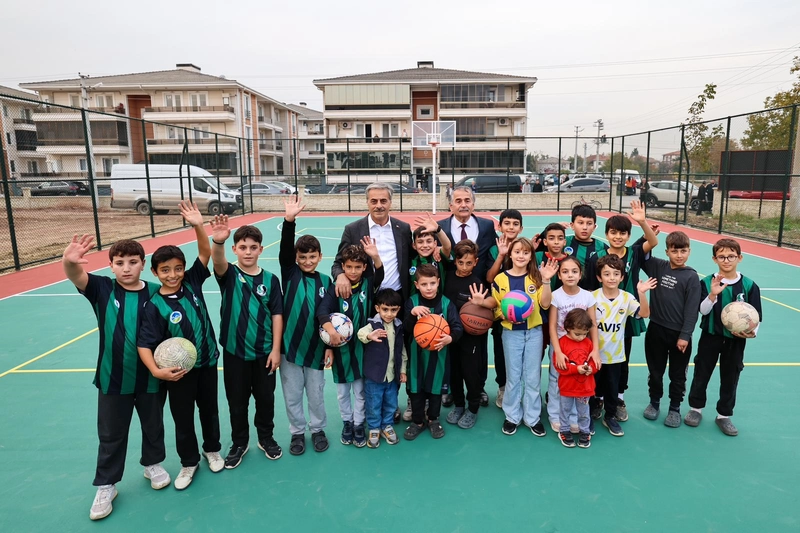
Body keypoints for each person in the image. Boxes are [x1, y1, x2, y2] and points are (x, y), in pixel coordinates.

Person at [63, 235, 170, 520]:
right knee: (111, 433)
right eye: (119, 263)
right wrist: (69, 261)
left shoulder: (157, 292)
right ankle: (106, 484)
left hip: (150, 377)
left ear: (143, 264)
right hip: (113, 377)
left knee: (153, 425)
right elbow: (76, 275)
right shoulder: (102, 288)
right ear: (110, 266)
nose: (126, 268)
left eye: (133, 262)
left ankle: (152, 464)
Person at [137, 201, 222, 491]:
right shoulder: (154, 306)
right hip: (178, 374)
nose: (172, 275)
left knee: (209, 410)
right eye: (165, 270)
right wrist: (156, 371)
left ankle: (212, 449)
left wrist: (198, 225)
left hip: (208, 363)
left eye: (177, 269)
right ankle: (189, 462)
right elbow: (145, 343)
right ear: (154, 272)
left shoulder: (192, 283)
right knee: (183, 418)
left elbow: (205, 252)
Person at [210, 215, 284, 469]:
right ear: (235, 249)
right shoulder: (229, 274)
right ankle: (239, 442)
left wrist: (276, 350)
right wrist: (218, 242)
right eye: (243, 247)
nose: (248, 252)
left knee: (265, 399)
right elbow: (217, 261)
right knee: (237, 402)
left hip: (265, 352)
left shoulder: (271, 280)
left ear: (261, 249)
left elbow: (277, 315)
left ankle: (266, 437)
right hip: (235, 353)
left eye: (253, 247)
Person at [581, 201, 659, 421]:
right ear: (606, 234)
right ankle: (597, 398)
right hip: (601, 315)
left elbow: (653, 241)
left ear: (628, 235)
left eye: (622, 233)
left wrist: (642, 221)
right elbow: (590, 286)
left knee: (622, 359)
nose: (617, 237)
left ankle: (618, 398)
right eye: (613, 232)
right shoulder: (596, 256)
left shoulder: (634, 252)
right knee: (597, 356)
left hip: (627, 313)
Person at [685, 239, 762, 436]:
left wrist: (752, 332)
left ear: (739, 258)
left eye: (731, 256)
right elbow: (702, 311)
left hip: (736, 341)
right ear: (714, 259)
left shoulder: (749, 285)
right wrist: (712, 294)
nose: (726, 260)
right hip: (710, 337)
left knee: (731, 376)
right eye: (721, 257)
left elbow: (756, 317)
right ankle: (695, 409)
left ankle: (723, 415)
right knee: (702, 372)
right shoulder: (706, 282)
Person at [274, 197, 331, 457]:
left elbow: (330, 317)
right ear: (296, 258)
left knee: (316, 394)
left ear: (320, 257)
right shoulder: (290, 273)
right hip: (290, 348)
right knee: (292, 394)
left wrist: (330, 347)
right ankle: (297, 432)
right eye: (302, 257)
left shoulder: (326, 281)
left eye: (312, 256)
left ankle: (317, 429)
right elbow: (286, 249)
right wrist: (289, 221)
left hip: (316, 348)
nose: (307, 261)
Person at [318, 239, 384, 449]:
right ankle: (347, 422)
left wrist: (375, 256)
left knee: (360, 391)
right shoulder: (335, 289)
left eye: (357, 267)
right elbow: (322, 312)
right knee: (342, 392)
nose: (353, 271)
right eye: (349, 267)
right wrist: (330, 337)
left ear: (364, 268)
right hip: (341, 351)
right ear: (342, 267)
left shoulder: (368, 284)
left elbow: (380, 275)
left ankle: (358, 424)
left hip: (363, 348)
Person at [491, 237, 558, 437]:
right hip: (511, 333)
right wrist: (504, 314)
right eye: (517, 251)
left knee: (532, 376)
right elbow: (495, 307)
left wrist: (547, 281)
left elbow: (545, 304)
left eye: (526, 252)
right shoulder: (500, 279)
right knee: (513, 376)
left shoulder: (536, 278)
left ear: (531, 257)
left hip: (534, 332)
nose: (521, 255)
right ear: (510, 255)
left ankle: (532, 417)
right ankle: (512, 416)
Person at [641, 231, 702, 428]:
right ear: (667, 252)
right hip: (656, 330)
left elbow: (692, 310)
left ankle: (675, 408)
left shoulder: (691, 277)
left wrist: (685, 335)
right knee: (655, 371)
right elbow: (637, 252)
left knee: (677, 375)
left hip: (679, 335)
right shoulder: (657, 266)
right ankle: (654, 402)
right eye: (674, 251)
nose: (679, 255)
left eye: (683, 251)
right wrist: (646, 235)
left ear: (689, 251)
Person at [592, 255, 655, 437]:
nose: (611, 278)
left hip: (616, 355)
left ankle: (610, 416)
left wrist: (642, 293)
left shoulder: (627, 298)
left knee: (612, 389)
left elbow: (644, 313)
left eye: (615, 274)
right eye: (606, 274)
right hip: (594, 354)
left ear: (621, 277)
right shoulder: (592, 297)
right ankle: (589, 413)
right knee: (592, 387)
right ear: (599, 277)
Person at [403, 264, 463, 441]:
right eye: (424, 284)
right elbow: (406, 329)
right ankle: (417, 421)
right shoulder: (412, 303)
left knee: (435, 391)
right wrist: (412, 314)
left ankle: (433, 419)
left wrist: (450, 338)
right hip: (416, 358)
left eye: (432, 283)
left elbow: (457, 326)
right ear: (417, 285)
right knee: (416, 391)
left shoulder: (446, 304)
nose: (428, 288)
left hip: (439, 358)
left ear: (438, 282)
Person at [443, 240, 494, 429]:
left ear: (476, 262)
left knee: (470, 373)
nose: (465, 267)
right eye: (461, 262)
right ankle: (458, 405)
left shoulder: (476, 283)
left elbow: (493, 303)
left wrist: (482, 302)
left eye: (469, 263)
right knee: (454, 373)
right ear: (455, 261)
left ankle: (472, 408)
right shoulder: (447, 277)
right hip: (450, 334)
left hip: (471, 337)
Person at [332, 182, 412, 301]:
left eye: (383, 201)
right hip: (366, 297)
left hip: (398, 296)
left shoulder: (403, 229)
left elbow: (413, 258)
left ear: (390, 202)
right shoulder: (353, 230)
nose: (379, 205)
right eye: (374, 201)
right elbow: (338, 263)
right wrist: (340, 275)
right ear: (367, 202)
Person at [548, 256, 601, 434]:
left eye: (574, 271)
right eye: (565, 272)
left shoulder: (587, 296)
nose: (570, 275)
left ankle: (573, 418)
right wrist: (557, 351)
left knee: (577, 380)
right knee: (556, 379)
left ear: (580, 274)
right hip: (561, 346)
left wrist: (595, 349)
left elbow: (593, 324)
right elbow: (552, 326)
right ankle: (555, 416)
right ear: (559, 275)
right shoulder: (556, 296)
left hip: (581, 347)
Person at [357, 289, 408, 448]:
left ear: (398, 309)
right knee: (373, 403)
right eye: (385, 309)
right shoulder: (373, 325)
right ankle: (374, 428)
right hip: (375, 376)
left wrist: (403, 371)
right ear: (377, 308)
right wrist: (369, 336)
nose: (389, 314)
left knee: (391, 403)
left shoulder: (398, 326)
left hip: (392, 376)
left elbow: (402, 351)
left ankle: (387, 425)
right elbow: (361, 333)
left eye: (393, 310)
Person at [485, 209, 525, 409]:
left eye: (515, 224)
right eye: (507, 223)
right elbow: (489, 278)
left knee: (522, 353)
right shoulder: (493, 249)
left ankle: (519, 388)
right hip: (501, 310)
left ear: (521, 228)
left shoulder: (525, 247)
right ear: (499, 226)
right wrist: (501, 256)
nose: (511, 227)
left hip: (523, 309)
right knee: (500, 350)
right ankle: (503, 387)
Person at [555, 309, 597, 448]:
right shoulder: (561, 343)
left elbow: (594, 362)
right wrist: (576, 369)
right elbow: (559, 366)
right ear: (568, 328)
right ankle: (564, 430)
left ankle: (585, 431)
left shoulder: (588, 343)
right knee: (565, 410)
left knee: (584, 412)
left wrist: (591, 369)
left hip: (585, 388)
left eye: (584, 334)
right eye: (577, 334)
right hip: (567, 387)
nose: (581, 337)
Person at [437, 186, 497, 282]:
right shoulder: (439, 228)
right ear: (451, 206)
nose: (463, 205)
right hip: (450, 286)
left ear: (473, 205)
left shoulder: (487, 226)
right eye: (458, 201)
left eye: (467, 201)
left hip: (480, 285)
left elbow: (496, 248)